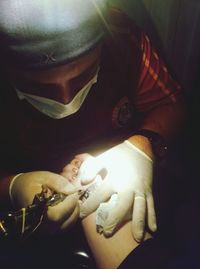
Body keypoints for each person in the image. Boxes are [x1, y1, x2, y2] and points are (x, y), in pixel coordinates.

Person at [0, 0, 185, 268]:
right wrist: (12, 187)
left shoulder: (122, 39)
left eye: (82, 77)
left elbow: (171, 104)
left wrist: (142, 146)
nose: (66, 98)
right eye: (39, 87)